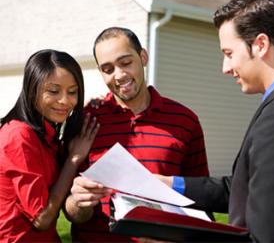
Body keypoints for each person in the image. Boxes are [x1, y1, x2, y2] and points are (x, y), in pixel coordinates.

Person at [153, 0, 274, 242]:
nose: (225, 67)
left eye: (229, 53)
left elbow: (269, 237)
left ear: (261, 45)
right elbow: (245, 187)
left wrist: (177, 236)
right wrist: (166, 184)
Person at [64, 27, 210, 242]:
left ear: (143, 57)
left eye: (125, 63)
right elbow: (70, 212)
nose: (119, 75)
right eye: (108, 69)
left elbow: (202, 201)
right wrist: (77, 202)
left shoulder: (185, 120)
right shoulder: (85, 120)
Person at [0, 49, 100, 242]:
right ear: (32, 89)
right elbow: (42, 218)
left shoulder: (46, 134)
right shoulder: (19, 136)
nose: (64, 101)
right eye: (53, 91)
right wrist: (73, 159)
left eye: (72, 92)